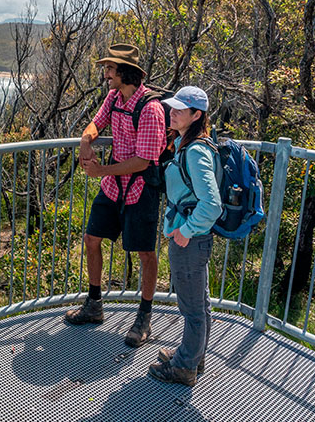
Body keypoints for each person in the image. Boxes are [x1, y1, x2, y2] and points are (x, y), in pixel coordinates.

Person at [66, 43, 166, 350]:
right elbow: (98, 122)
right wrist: (86, 139)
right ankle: (94, 304)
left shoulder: (150, 110)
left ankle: (144, 317)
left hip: (139, 189)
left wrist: (102, 170)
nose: (106, 73)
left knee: (145, 253)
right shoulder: (114, 97)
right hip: (113, 188)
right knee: (92, 238)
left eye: (110, 68)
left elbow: (144, 161)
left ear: (125, 72)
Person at [147, 86, 222, 387]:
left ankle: (184, 368)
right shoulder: (185, 144)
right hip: (192, 236)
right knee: (199, 304)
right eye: (173, 107)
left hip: (190, 238)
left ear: (197, 115)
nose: (173, 112)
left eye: (180, 109)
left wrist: (185, 231)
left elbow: (212, 204)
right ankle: (193, 356)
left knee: (192, 309)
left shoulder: (196, 151)